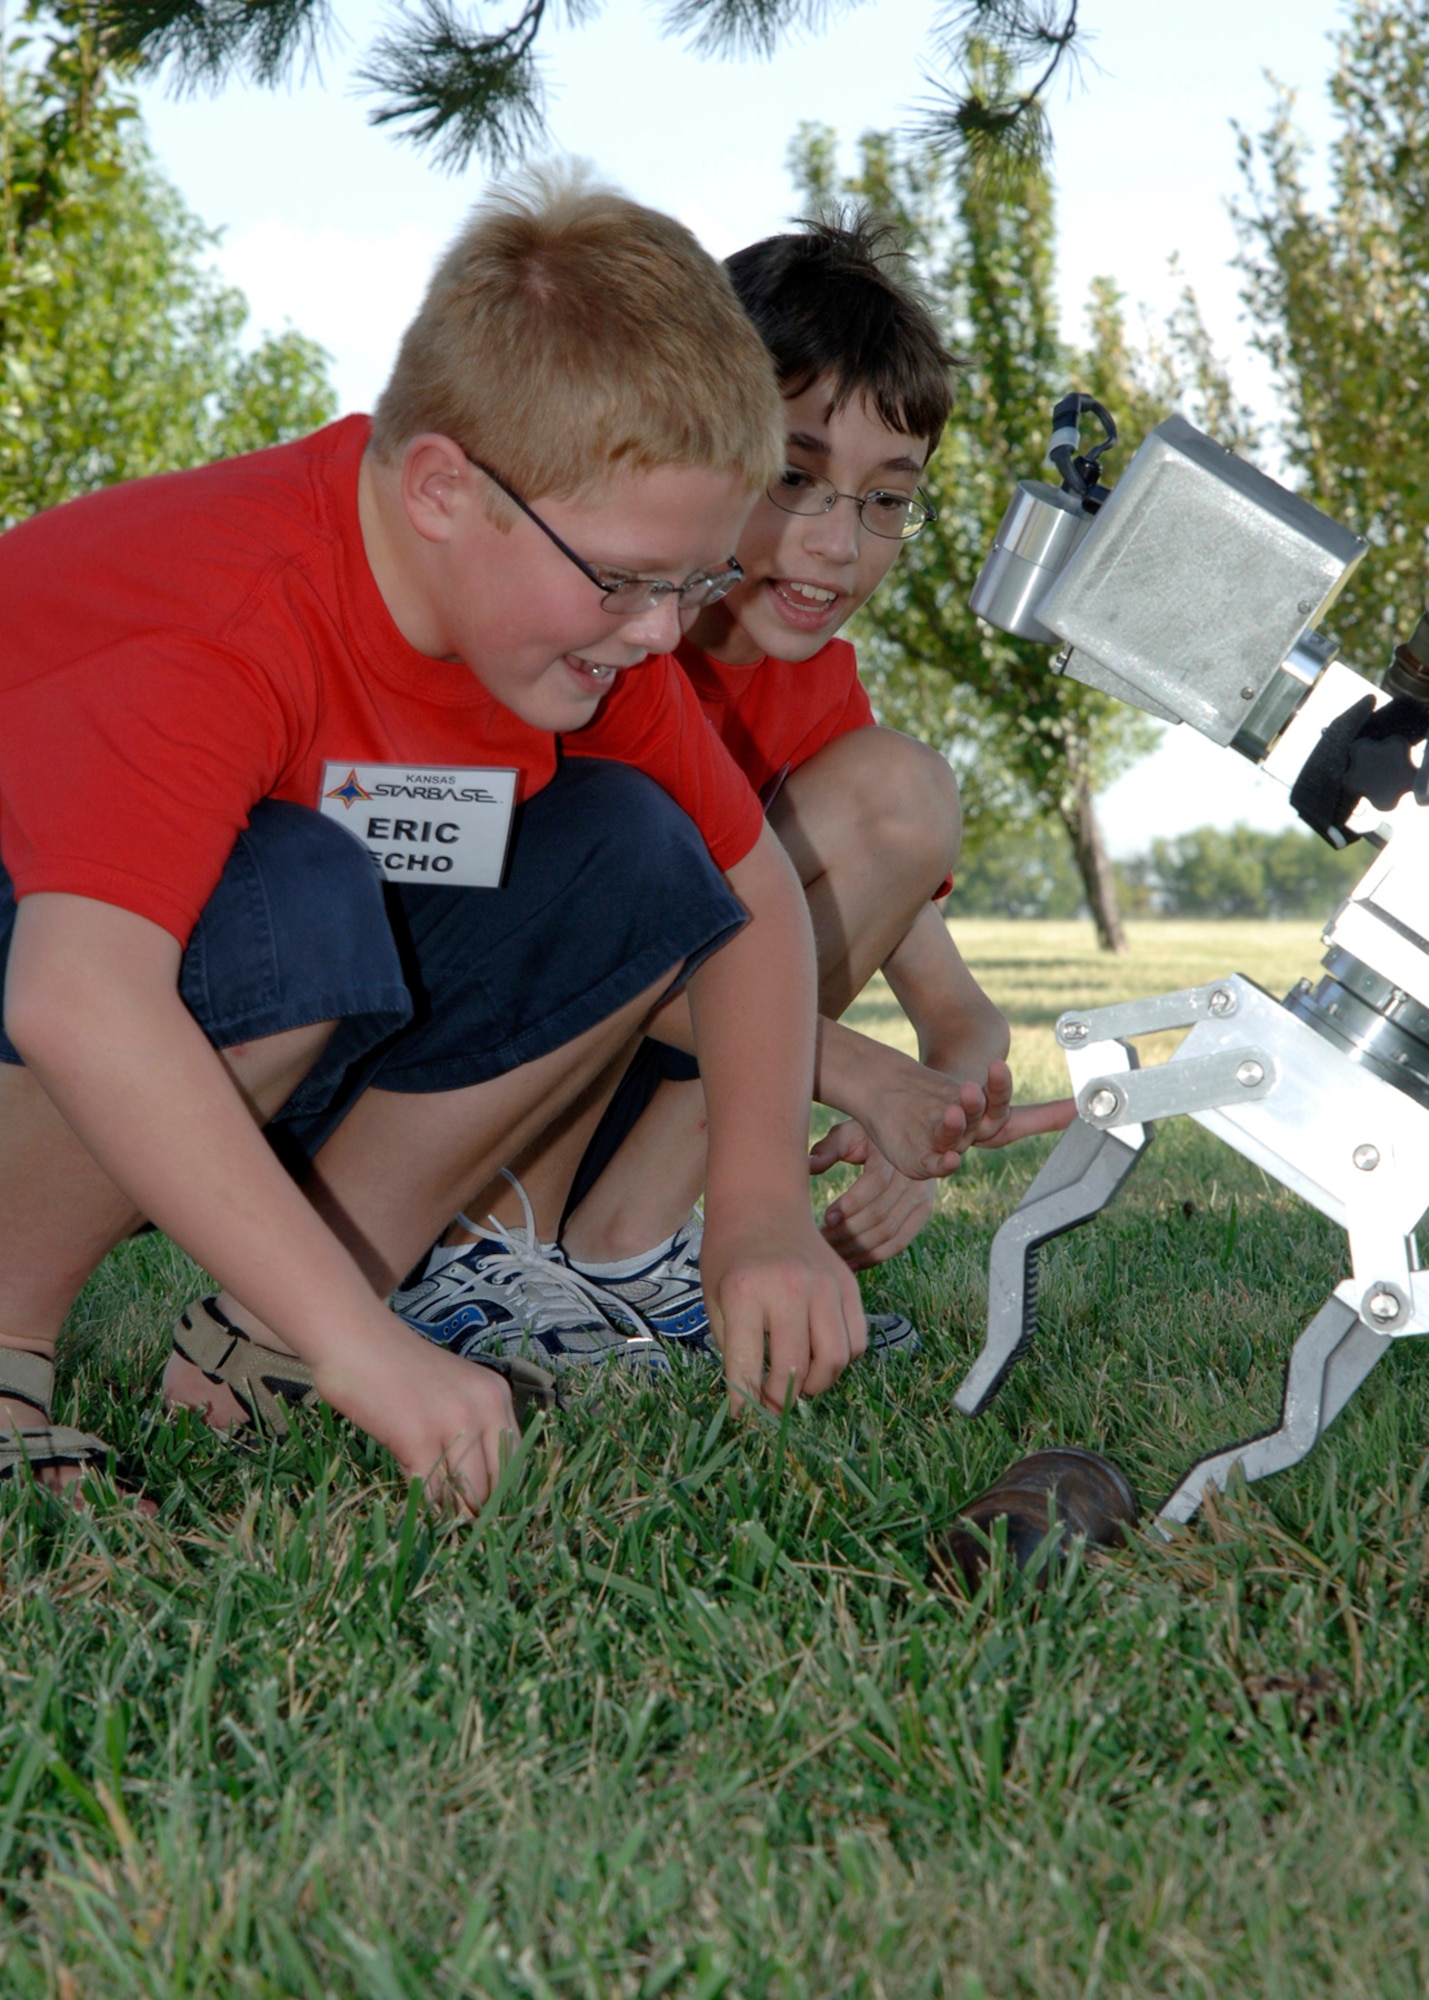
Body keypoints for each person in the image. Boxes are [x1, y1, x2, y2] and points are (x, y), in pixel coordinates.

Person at [0, 173, 901, 1513]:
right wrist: (376, 1359)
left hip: (184, 1010)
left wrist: (761, 1201)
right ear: (440, 489)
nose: (662, 634)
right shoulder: (230, 611)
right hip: (64, 980)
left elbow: (747, 884)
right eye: (623, 580)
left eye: (690, 581)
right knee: (298, 904)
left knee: (636, 848)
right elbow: (79, 996)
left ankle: (269, 1339)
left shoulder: (586, 621)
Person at [396, 213, 1072, 1361]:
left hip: (632, 1084)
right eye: (794, 477)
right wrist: (860, 1073)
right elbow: (573, 933)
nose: (835, 542)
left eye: (885, 499)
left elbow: (951, 1003)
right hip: (448, 1072)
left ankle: (628, 1245)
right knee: (633, 842)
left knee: (901, 791)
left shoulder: (820, 697)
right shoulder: (595, 639)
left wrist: (940, 1107)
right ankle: (470, 1249)